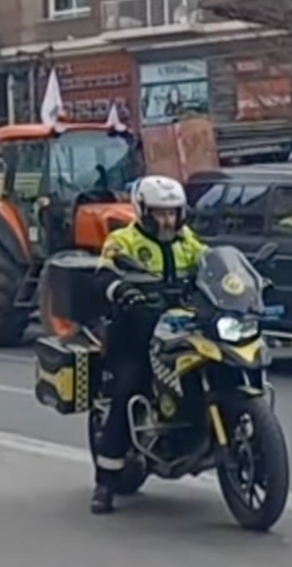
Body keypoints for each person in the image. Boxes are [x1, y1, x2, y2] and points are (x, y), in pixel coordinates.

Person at [87, 174, 208, 516]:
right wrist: (123, 291)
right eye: (160, 213)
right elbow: (104, 276)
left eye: (173, 212)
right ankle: (105, 484)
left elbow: (213, 264)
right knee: (127, 388)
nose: (168, 220)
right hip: (135, 332)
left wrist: (243, 279)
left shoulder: (188, 241)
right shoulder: (123, 241)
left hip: (182, 326)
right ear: (143, 211)